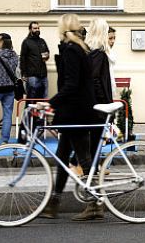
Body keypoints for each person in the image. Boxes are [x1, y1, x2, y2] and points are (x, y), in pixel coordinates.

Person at [40, 14, 100, 221]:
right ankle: (53, 203)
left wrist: (50, 103)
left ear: (62, 28)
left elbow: (71, 85)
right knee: (62, 156)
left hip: (76, 112)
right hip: (74, 111)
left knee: (83, 157)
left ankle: (95, 204)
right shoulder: (78, 48)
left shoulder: (72, 50)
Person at [85, 18, 113, 156]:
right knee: (95, 136)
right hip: (97, 102)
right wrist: (104, 101)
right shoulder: (98, 53)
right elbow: (96, 79)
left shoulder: (88, 51)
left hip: (91, 100)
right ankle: (91, 168)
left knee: (93, 135)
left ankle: (92, 167)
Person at [20, 21, 50, 99]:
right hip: (32, 75)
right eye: (35, 28)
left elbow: (47, 52)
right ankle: (29, 112)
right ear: (30, 30)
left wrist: (46, 55)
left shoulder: (42, 41)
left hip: (43, 75)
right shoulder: (26, 42)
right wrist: (23, 73)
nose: (37, 30)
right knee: (31, 99)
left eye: (38, 28)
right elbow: (22, 58)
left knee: (43, 99)